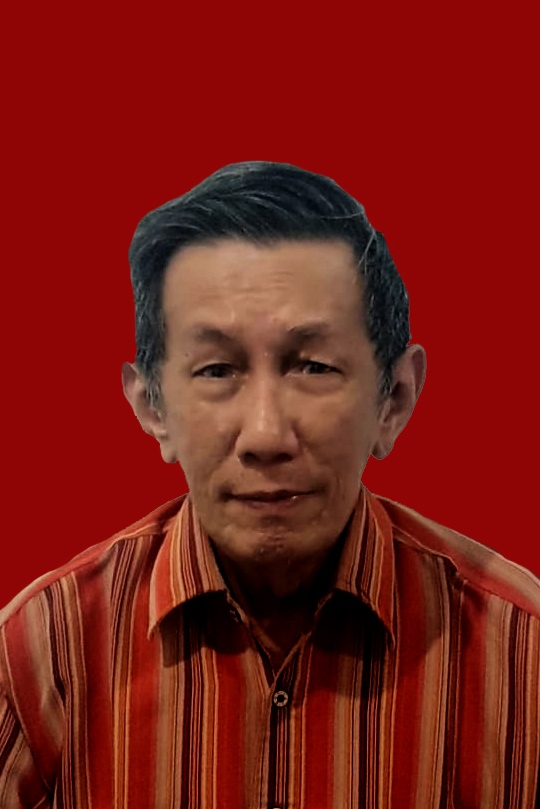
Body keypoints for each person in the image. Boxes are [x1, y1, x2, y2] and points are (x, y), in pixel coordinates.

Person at [1, 162, 538, 808]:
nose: (265, 434)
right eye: (216, 369)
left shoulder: (522, 657)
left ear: (393, 399)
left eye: (313, 366)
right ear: (152, 408)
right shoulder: (39, 659)